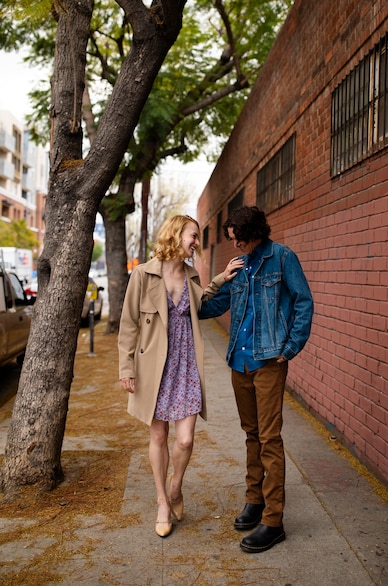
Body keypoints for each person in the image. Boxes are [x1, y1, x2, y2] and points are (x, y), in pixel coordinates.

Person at [118, 214, 243, 538]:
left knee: (185, 440)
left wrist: (222, 278)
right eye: (193, 236)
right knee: (158, 437)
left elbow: (201, 304)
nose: (196, 243)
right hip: (153, 368)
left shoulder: (190, 274)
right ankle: (162, 502)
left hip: (186, 364)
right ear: (176, 235)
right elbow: (129, 324)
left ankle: (176, 488)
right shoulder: (143, 275)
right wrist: (126, 369)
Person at [199, 205, 313, 553]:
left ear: (252, 235)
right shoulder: (240, 265)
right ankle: (254, 500)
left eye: (236, 239)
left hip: (268, 361)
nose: (233, 245)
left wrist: (290, 347)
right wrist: (215, 281)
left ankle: (274, 521)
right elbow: (209, 308)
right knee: (251, 434)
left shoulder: (282, 258)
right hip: (239, 362)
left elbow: (303, 303)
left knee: (269, 438)